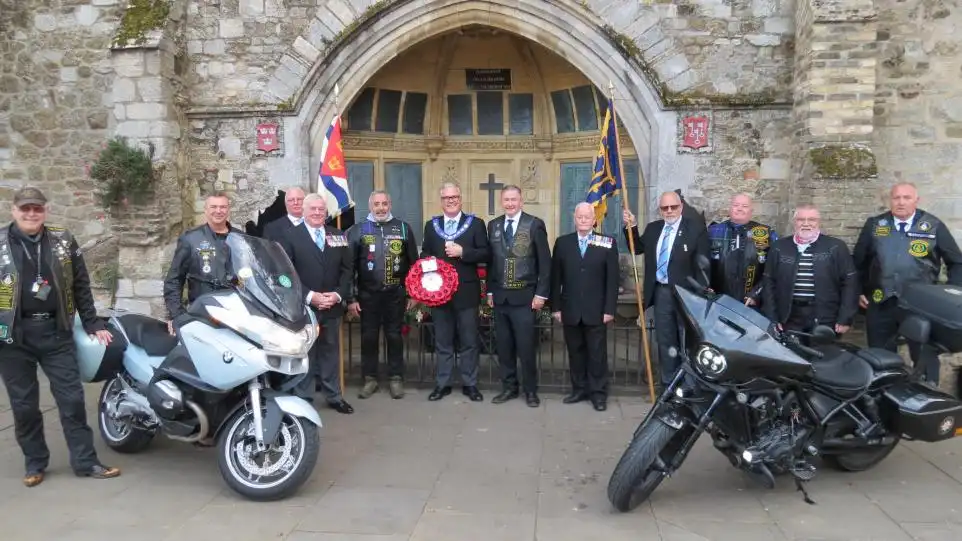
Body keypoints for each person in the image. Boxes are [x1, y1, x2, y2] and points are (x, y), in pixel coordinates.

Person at [0, 187, 121, 487]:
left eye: (37, 209)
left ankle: (86, 461)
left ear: (45, 211)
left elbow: (81, 283)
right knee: (24, 405)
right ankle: (35, 462)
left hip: (56, 333)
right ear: (14, 210)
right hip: (13, 337)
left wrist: (92, 323)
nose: (31, 214)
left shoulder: (63, 240)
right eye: (25, 209)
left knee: (71, 401)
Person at [853, 182, 962, 382]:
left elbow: (957, 263)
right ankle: (884, 402)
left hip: (919, 308)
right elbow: (858, 262)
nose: (901, 202)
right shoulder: (875, 225)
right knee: (879, 358)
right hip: (880, 302)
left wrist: (950, 298)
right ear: (890, 200)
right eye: (896, 198)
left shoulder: (933, 226)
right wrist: (858, 290)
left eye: (906, 198)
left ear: (916, 200)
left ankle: (929, 399)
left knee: (924, 359)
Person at [623, 191, 709, 390]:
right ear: (660, 210)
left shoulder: (695, 229)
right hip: (661, 293)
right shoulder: (654, 229)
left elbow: (703, 265)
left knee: (687, 342)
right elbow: (636, 248)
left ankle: (688, 388)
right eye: (664, 208)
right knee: (665, 341)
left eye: (673, 207)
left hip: (686, 295)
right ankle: (668, 387)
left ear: (681, 207)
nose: (669, 211)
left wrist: (700, 296)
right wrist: (631, 226)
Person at [279, 194, 354, 414]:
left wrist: (338, 295)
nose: (317, 213)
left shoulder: (338, 235)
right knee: (305, 353)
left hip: (332, 306)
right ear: (303, 210)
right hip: (304, 307)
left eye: (321, 209)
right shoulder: (289, 236)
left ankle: (334, 396)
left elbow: (348, 270)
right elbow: (284, 276)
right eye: (312, 209)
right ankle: (303, 398)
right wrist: (309, 296)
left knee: (331, 351)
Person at [420, 182, 490, 402]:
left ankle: (470, 383)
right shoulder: (431, 226)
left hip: (466, 293)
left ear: (460, 199)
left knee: (469, 341)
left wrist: (464, 252)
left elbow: (486, 254)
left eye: (454, 197)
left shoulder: (476, 224)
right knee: (443, 341)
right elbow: (425, 255)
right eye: (446, 198)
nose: (450, 201)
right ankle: (443, 383)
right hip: (439, 294)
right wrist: (428, 266)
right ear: (441, 200)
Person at [345, 190, 418, 400]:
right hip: (368, 296)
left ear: (390, 204)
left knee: (394, 336)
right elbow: (349, 267)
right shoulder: (358, 230)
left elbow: (414, 264)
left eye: (384, 203)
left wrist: (413, 294)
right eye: (376, 204)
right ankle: (370, 379)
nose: (381, 208)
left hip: (395, 295)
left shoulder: (403, 228)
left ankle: (396, 378)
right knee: (369, 337)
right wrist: (351, 298)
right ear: (370, 206)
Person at [486, 185, 551, 407]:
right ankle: (509, 388)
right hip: (501, 299)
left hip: (525, 298)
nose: (510, 204)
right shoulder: (493, 226)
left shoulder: (534, 225)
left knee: (525, 348)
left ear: (521, 201)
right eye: (506, 200)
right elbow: (492, 263)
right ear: (502, 202)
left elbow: (545, 263)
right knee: (504, 347)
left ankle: (530, 391)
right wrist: (490, 290)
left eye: (514, 199)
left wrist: (541, 294)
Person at [550, 202, 619, 411]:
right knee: (575, 352)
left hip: (596, 310)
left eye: (587, 217)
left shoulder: (606, 242)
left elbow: (612, 280)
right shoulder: (563, 243)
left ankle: (598, 394)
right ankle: (579, 389)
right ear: (574, 218)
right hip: (570, 309)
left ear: (594, 220)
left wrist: (609, 309)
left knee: (597, 353)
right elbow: (555, 278)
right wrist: (555, 307)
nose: (583, 220)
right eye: (579, 217)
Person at [761, 205, 858, 334]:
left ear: (819, 222)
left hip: (826, 316)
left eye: (812, 220)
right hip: (789, 317)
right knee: (789, 353)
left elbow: (850, 283)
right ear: (794, 222)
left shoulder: (835, 247)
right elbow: (768, 282)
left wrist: (845, 318)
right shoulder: (779, 247)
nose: (806, 224)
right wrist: (772, 318)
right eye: (801, 219)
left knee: (823, 353)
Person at [163, 192, 240, 331]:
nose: (218, 211)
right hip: (202, 314)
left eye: (223, 207)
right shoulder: (190, 239)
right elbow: (174, 280)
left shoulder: (240, 238)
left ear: (228, 209)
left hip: (237, 313)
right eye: (213, 207)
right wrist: (177, 315)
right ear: (206, 210)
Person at [706, 193, 777, 307]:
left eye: (744, 206)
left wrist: (756, 294)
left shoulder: (766, 234)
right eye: (736, 205)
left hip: (750, 304)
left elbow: (774, 269)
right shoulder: (713, 231)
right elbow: (702, 263)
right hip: (718, 300)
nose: (739, 209)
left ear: (751, 210)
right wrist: (706, 287)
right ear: (729, 208)